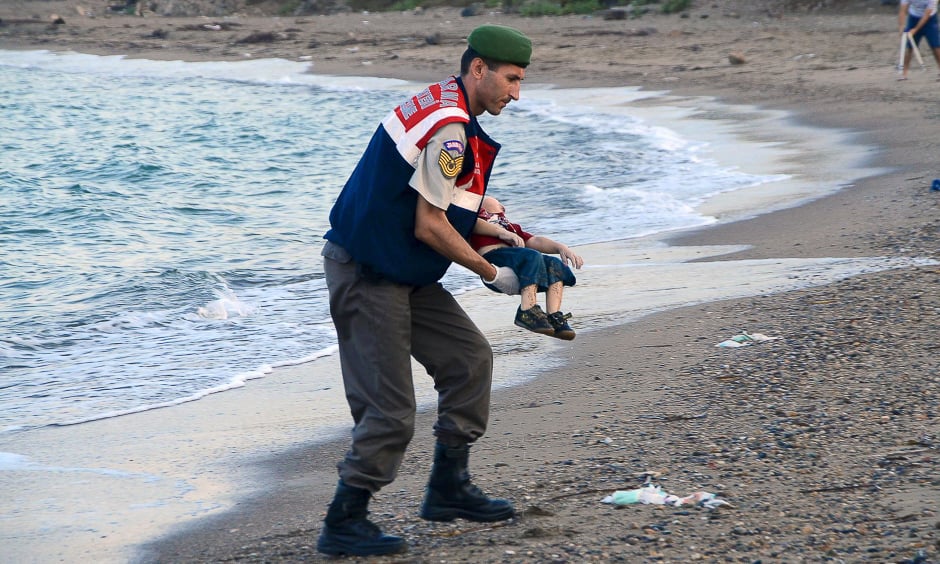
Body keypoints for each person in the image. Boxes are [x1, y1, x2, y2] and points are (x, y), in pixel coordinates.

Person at [316, 25, 532, 557]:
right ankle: (345, 520)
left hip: (404, 271)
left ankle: (447, 488)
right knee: (389, 411)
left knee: (468, 358)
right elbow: (429, 225)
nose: (516, 93)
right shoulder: (453, 131)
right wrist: (490, 271)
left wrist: (489, 218)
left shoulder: (443, 103)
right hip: (367, 273)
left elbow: (435, 192)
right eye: (510, 79)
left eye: (522, 81)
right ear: (478, 69)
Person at [470, 195, 584, 340]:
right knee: (532, 256)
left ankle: (553, 316)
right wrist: (502, 233)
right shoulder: (476, 218)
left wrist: (560, 247)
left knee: (554, 264)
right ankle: (527, 309)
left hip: (518, 262)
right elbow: (471, 223)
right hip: (494, 257)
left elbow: (535, 240)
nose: (501, 206)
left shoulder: (511, 227)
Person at [897, 0, 940, 79]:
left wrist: (915, 30)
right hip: (913, 17)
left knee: (935, 46)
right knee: (909, 47)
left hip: (930, 18)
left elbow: (926, 15)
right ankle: (904, 73)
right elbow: (902, 10)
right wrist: (901, 27)